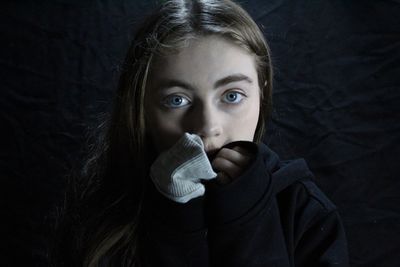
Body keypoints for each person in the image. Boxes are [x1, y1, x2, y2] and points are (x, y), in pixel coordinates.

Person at [51, 0, 349, 266]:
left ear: (262, 92)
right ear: (141, 107)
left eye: (232, 96)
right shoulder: (102, 217)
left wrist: (248, 214)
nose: (207, 128)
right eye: (177, 100)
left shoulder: (307, 211)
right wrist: (177, 217)